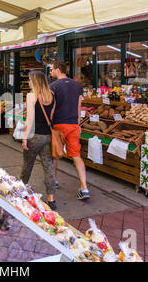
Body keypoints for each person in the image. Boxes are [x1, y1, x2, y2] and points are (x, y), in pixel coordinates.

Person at [50, 61, 90, 200]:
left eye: (51, 69)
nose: (50, 72)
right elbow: (79, 104)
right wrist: (78, 122)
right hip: (73, 124)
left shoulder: (53, 86)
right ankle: (84, 187)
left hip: (59, 124)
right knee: (76, 155)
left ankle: (54, 181)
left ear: (58, 70)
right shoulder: (77, 85)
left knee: (54, 154)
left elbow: (53, 107)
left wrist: (49, 122)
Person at [20, 71, 59, 211]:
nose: (29, 82)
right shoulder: (52, 95)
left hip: (34, 136)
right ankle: (51, 199)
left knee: (27, 164)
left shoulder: (31, 96)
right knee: (48, 166)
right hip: (48, 135)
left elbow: (29, 120)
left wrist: (24, 138)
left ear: (35, 81)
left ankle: (20, 191)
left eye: (30, 80)